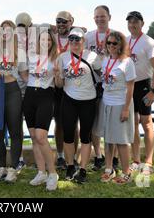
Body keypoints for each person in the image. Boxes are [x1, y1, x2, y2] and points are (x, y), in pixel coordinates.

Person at [0, 20, 28, 183]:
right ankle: (1, 167)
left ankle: (13, 168)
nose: (5, 33)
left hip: (12, 90)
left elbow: (24, 75)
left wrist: (40, 83)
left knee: (15, 130)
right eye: (3, 30)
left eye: (9, 31)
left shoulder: (19, 51)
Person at [57, 27, 102, 184]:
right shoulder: (62, 57)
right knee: (68, 134)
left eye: (78, 39)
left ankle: (83, 169)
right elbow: (59, 82)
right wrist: (57, 75)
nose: (74, 42)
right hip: (69, 99)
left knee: (85, 136)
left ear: (84, 41)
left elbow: (101, 75)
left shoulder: (93, 56)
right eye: (71, 39)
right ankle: (70, 165)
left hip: (88, 100)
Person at [96, 31, 136, 184]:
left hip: (121, 103)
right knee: (108, 139)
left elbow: (131, 87)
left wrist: (126, 108)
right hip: (107, 102)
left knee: (121, 140)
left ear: (121, 45)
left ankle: (126, 172)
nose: (111, 46)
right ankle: (109, 169)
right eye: (109, 43)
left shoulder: (127, 62)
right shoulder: (106, 60)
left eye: (115, 43)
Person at [23, 28, 59, 191]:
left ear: (52, 42)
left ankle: (53, 173)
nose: (46, 42)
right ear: (38, 42)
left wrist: (57, 75)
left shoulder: (56, 59)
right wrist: (31, 80)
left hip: (46, 95)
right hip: (30, 95)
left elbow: (58, 83)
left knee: (41, 136)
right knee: (33, 137)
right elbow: (23, 73)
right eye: (43, 40)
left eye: (49, 40)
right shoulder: (31, 56)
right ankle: (41, 172)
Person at [126, 11, 154, 176]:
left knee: (146, 123)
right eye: (130, 22)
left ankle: (149, 161)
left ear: (142, 23)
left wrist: (153, 91)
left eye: (135, 22)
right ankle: (135, 160)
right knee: (132, 124)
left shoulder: (148, 42)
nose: (132, 25)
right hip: (130, 85)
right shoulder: (126, 41)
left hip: (144, 85)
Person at [85, 5, 119, 171]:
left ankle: (113, 157)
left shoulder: (116, 36)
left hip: (111, 84)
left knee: (111, 122)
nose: (100, 19)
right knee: (94, 122)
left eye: (103, 16)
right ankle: (98, 155)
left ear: (109, 17)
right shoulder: (88, 36)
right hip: (92, 83)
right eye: (97, 16)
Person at [52, 11, 79, 170]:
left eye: (64, 21)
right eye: (58, 21)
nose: (61, 24)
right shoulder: (52, 36)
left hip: (73, 84)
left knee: (74, 124)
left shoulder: (76, 37)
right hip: (56, 85)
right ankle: (61, 156)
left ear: (71, 22)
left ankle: (74, 157)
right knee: (59, 123)